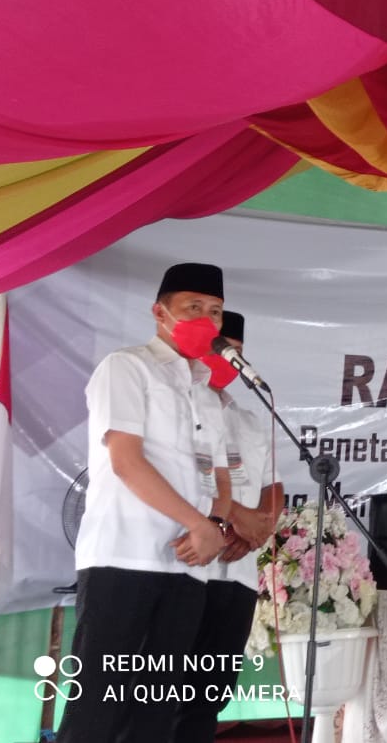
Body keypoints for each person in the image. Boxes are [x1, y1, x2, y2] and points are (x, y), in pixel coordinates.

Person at [58, 263, 233, 743]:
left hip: (187, 567)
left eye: (215, 311)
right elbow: (127, 462)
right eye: (193, 307)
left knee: (156, 713)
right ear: (160, 313)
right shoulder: (127, 366)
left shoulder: (207, 392)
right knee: (98, 710)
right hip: (124, 558)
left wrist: (215, 524)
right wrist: (199, 524)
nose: (206, 319)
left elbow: (219, 478)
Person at [175, 311, 283, 743]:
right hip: (185, 568)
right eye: (222, 350)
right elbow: (178, 477)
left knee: (210, 694)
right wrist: (234, 517)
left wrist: (259, 531)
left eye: (236, 353)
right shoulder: (176, 405)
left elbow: (273, 486)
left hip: (236, 573)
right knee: (162, 693)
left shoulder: (250, 419)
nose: (229, 361)